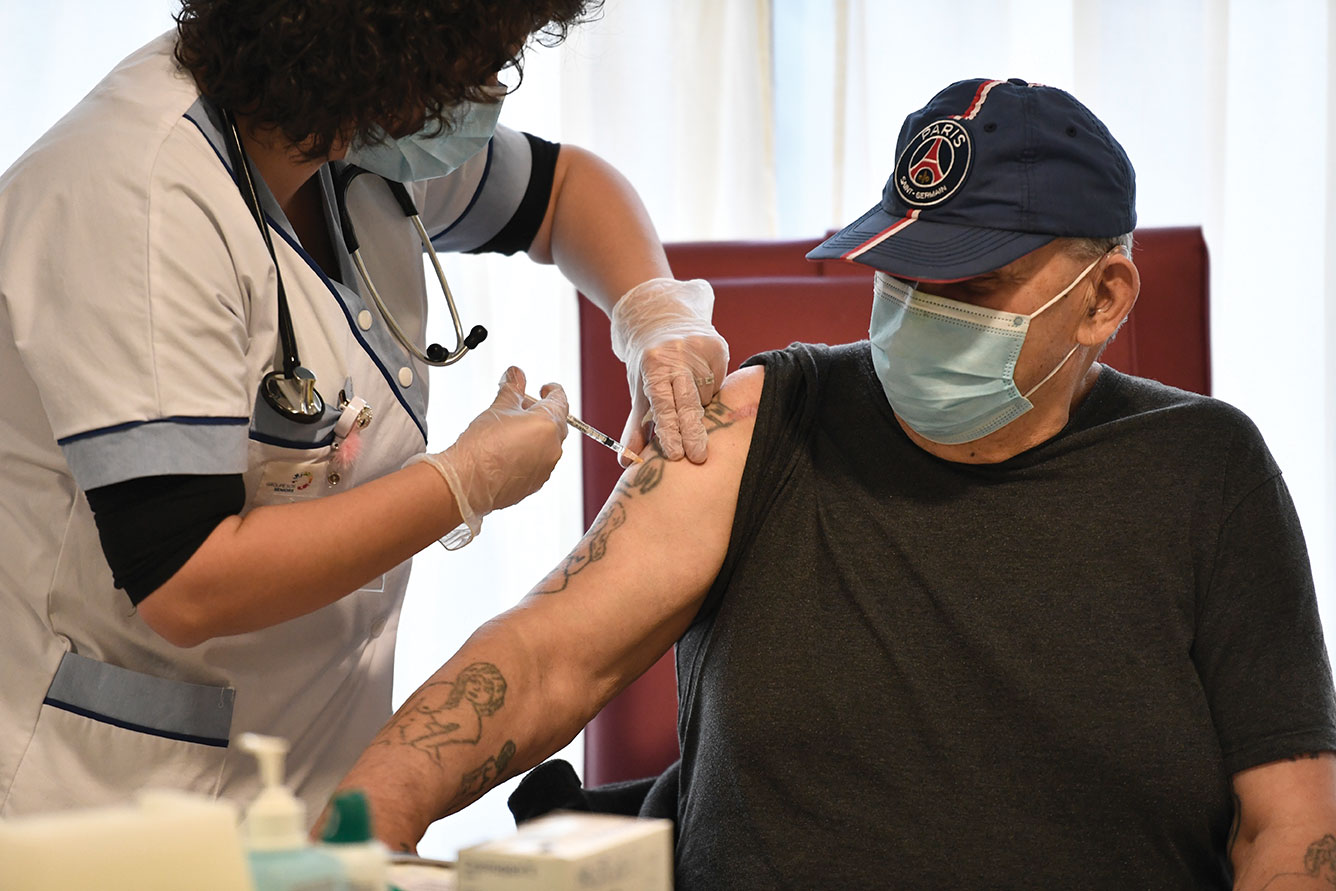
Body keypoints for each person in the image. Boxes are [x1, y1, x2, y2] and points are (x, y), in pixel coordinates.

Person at [333, 79, 1336, 889]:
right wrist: (365, 825)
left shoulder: (1207, 471)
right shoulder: (768, 418)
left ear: (1102, 298)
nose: (917, 314)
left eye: (970, 287)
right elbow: (548, 657)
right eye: (902, 277)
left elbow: (1290, 828)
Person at [0, 0, 729, 821]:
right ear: (377, 60)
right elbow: (187, 580)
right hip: (109, 797)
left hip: (314, 774)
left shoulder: (344, 136)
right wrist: (464, 481)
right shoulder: (136, 195)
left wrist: (657, 317)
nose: (492, 91)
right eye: (482, 63)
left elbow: (564, 193)